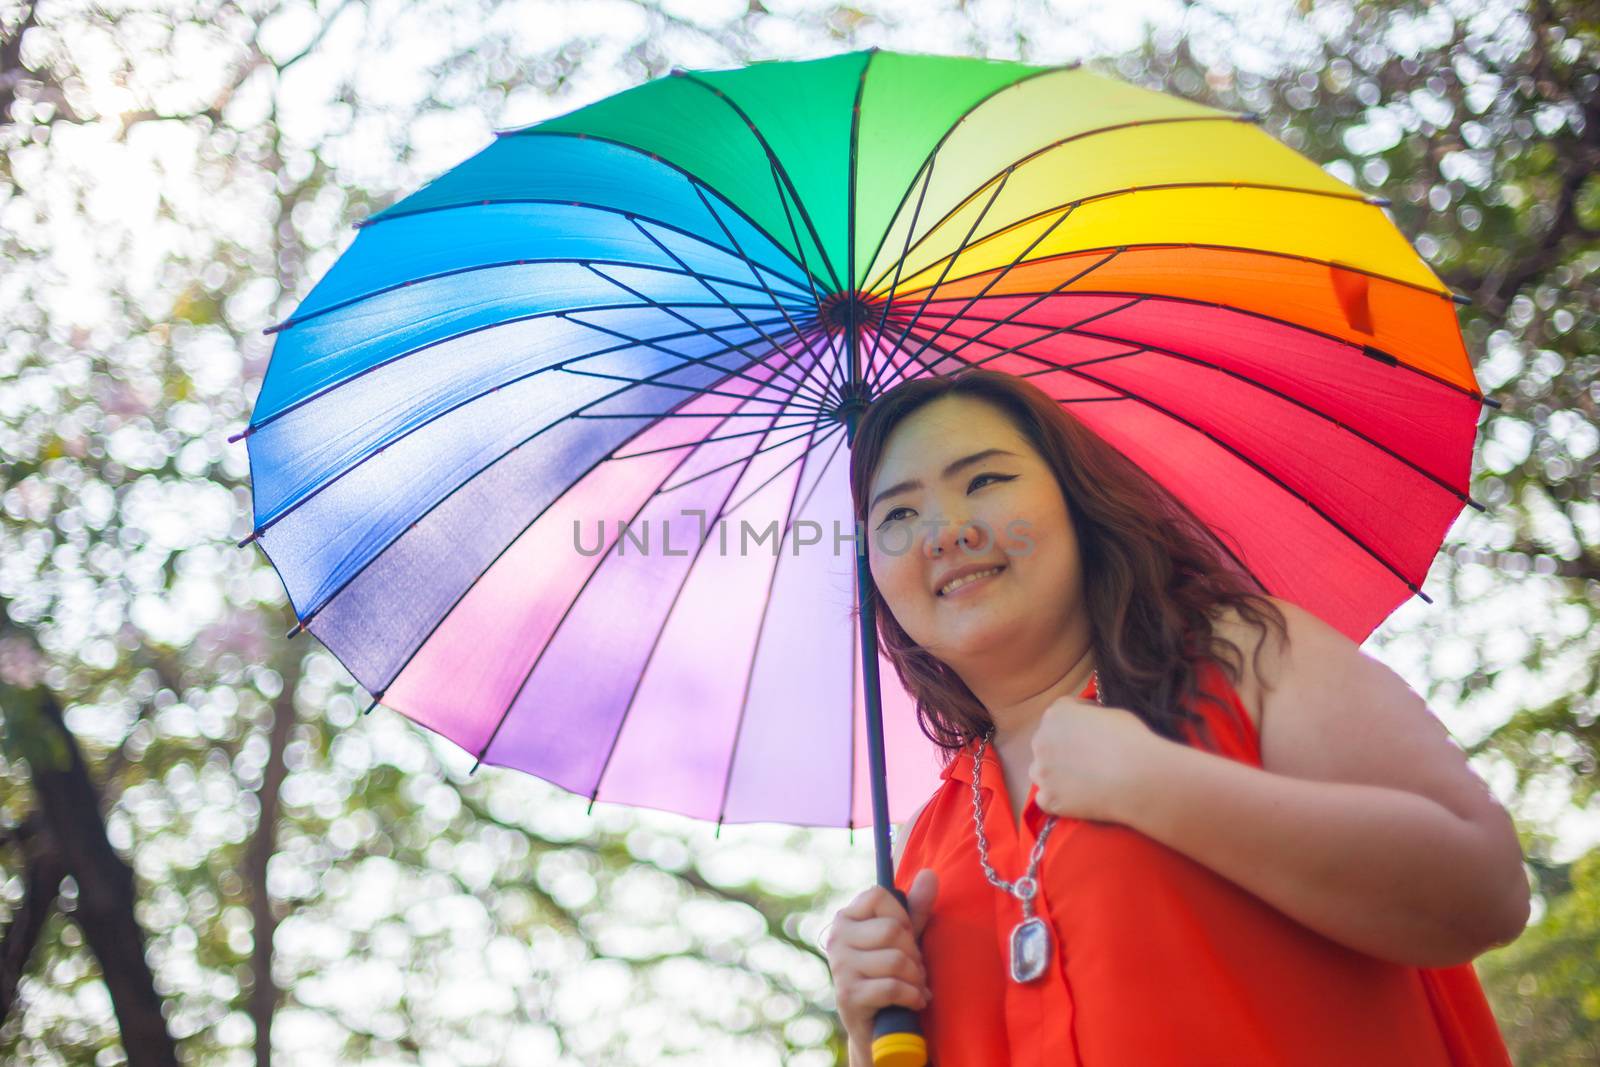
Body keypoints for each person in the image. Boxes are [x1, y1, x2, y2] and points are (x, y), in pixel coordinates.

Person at [822, 369, 1526, 1066]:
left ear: (1076, 499)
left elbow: (1484, 888)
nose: (944, 532)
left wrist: (1155, 782)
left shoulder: (1243, 652)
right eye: (898, 516)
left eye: (984, 481)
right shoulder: (925, 851)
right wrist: (869, 1030)